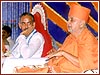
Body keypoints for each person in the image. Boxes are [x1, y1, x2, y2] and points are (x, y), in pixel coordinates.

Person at [46, 4, 98, 73]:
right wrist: (56, 54)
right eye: (68, 19)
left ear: (82, 24)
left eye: (72, 20)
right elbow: (65, 55)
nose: (68, 23)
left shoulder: (88, 39)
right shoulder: (70, 37)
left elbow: (85, 65)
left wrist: (63, 53)